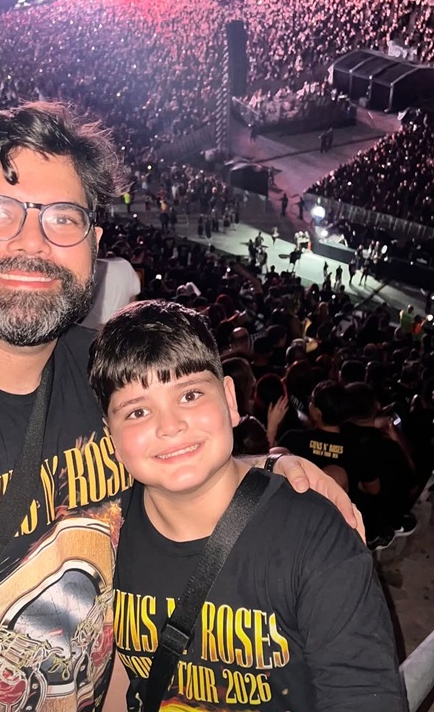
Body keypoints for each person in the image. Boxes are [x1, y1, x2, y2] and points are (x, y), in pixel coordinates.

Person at [0, 101, 358, 712]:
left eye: (63, 218)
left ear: (92, 246)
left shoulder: (105, 371)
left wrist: (262, 467)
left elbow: (163, 453)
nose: (31, 242)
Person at [88, 301, 406, 712]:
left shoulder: (315, 537)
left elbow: (363, 694)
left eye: (189, 394)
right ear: (110, 436)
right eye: (138, 411)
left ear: (229, 399)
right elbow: (118, 678)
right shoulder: (101, 536)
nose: (170, 426)